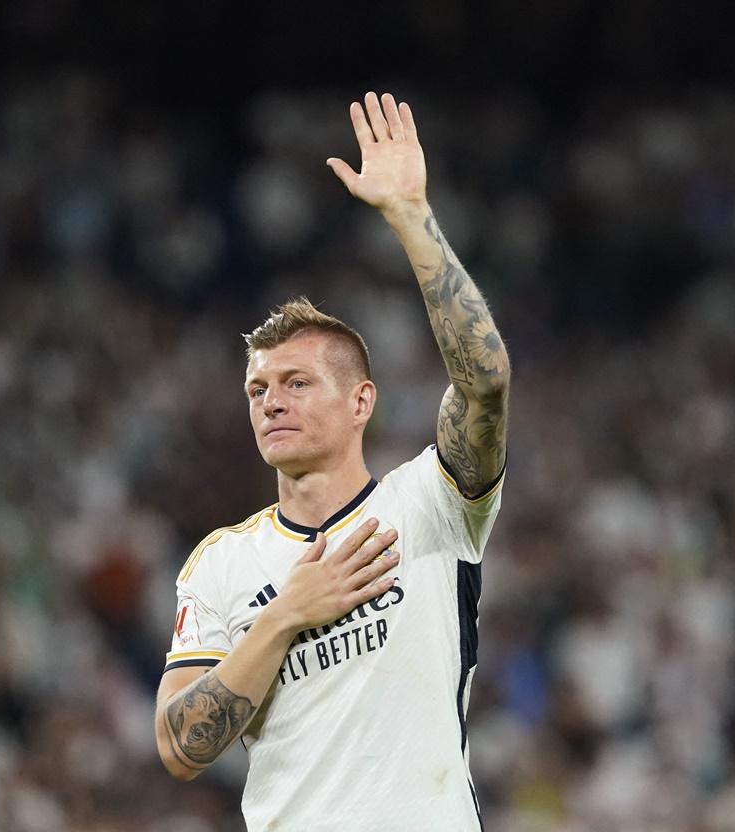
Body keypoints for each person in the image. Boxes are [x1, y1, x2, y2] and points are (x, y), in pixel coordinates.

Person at [154, 91, 511, 831]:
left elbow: (485, 383)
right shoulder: (220, 565)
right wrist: (287, 614)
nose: (270, 402)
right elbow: (180, 747)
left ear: (361, 402)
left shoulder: (430, 504)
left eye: (295, 383)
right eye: (257, 388)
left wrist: (410, 215)